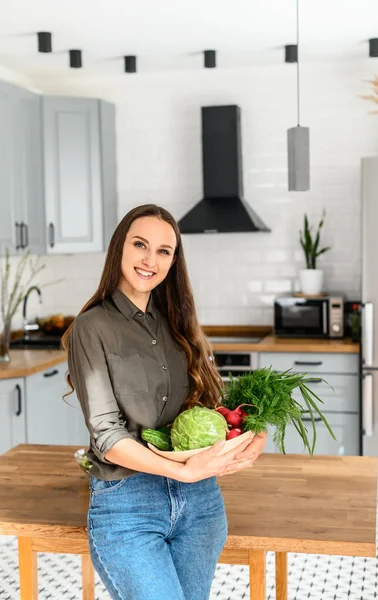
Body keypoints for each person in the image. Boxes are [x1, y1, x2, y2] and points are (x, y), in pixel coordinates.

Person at [61, 204, 266, 600]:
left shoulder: (179, 321)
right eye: (140, 245)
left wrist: (251, 432)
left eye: (164, 251)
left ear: (173, 261)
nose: (150, 260)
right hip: (129, 504)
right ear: (120, 247)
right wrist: (184, 472)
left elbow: (209, 407)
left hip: (201, 504)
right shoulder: (92, 327)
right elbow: (106, 435)